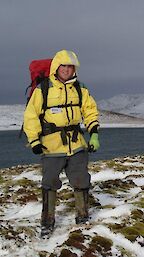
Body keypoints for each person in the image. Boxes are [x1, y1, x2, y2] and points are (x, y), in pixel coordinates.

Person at [23, 50, 100, 237]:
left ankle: (82, 217)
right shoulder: (43, 89)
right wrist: (34, 141)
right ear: (57, 67)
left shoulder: (81, 89)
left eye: (70, 66)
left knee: (81, 180)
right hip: (51, 147)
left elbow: (90, 111)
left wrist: (94, 134)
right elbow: (31, 116)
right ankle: (47, 222)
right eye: (63, 66)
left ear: (75, 68)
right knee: (49, 183)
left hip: (77, 144)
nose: (66, 69)